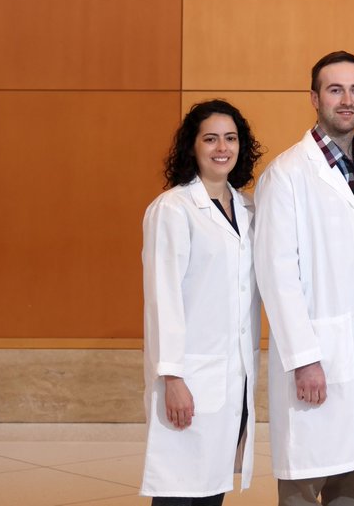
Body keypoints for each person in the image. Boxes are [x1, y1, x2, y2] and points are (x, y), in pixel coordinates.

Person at [254, 51, 354, 506]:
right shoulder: (286, 174)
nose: (347, 100)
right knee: (306, 484)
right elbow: (277, 275)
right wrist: (304, 357)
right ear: (314, 97)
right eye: (335, 89)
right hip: (316, 358)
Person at [140, 99, 263, 505]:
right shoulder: (173, 209)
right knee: (178, 489)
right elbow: (164, 300)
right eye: (210, 139)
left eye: (230, 138)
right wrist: (172, 378)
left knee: (212, 489)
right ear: (192, 147)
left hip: (234, 378)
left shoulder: (247, 209)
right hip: (189, 376)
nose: (222, 148)